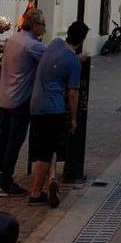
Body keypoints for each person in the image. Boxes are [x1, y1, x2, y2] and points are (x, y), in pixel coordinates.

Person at [28, 21, 89, 207]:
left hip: (35, 105)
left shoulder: (54, 44)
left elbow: (57, 60)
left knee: (48, 145)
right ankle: (36, 193)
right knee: (46, 151)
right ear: (82, 40)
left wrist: (76, 58)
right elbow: (73, 93)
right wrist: (73, 118)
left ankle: (52, 178)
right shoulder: (73, 63)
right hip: (53, 109)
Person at [0, 9, 46, 196]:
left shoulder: (13, 39)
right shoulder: (32, 45)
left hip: (5, 98)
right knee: (14, 142)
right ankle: (6, 183)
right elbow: (51, 60)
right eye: (43, 24)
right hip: (21, 99)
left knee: (2, 138)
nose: (44, 28)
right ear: (35, 25)